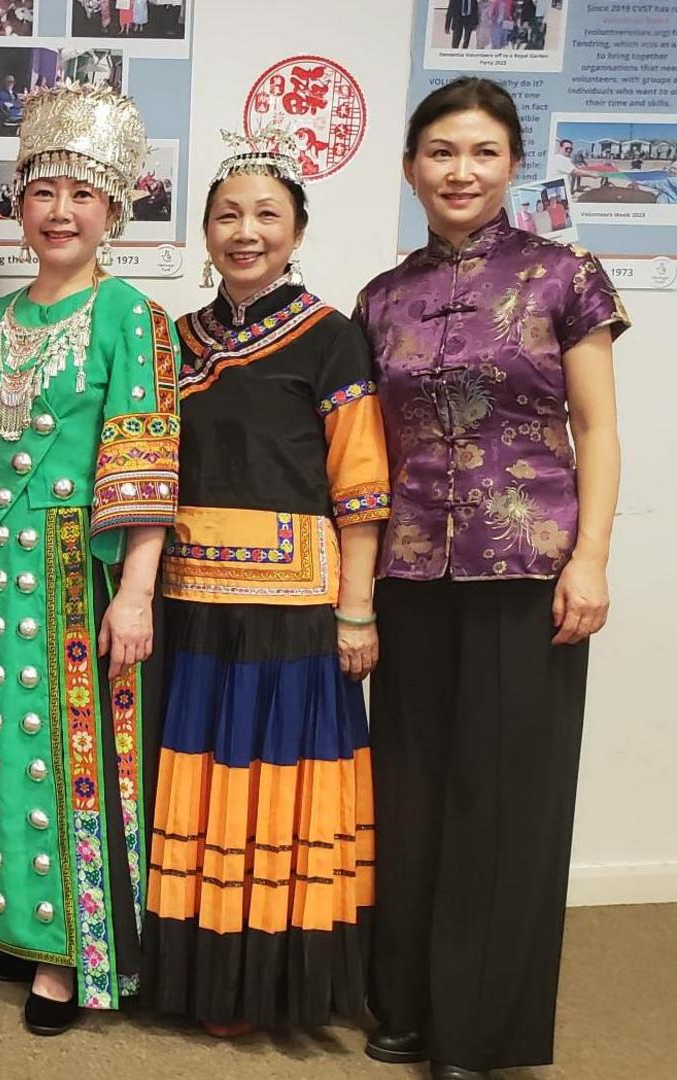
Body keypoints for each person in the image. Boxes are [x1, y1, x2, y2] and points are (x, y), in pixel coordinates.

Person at [358, 77, 627, 1080]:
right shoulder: (383, 299)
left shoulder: (566, 276)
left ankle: (481, 1031)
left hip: (529, 569)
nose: (458, 171)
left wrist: (591, 556)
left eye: (479, 152)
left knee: (504, 801)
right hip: (411, 574)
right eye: (439, 152)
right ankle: (408, 1005)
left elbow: (597, 428)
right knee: (414, 794)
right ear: (410, 168)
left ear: (514, 164)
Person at [0, 80, 178, 1037]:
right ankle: (13, 924)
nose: (60, 211)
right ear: (18, 205)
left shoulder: (131, 318)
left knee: (67, 766)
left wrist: (138, 595)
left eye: (81, 194)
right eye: (42, 192)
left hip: (81, 571)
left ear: (113, 207)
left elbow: (147, 460)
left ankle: (71, 955)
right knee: (0, 757)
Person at [144, 133, 389, 1038]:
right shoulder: (172, 341)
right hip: (191, 608)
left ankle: (274, 989)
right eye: (227, 216)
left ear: (297, 231)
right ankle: (198, 979)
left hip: (293, 612)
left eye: (266, 216)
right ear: (204, 232)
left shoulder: (332, 338)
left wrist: (356, 612)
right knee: (198, 786)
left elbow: (360, 488)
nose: (245, 233)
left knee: (274, 787)